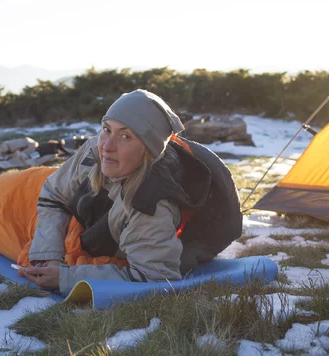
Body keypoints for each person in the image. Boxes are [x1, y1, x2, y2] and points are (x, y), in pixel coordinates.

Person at [25, 89, 202, 293]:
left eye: (125, 136)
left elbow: (155, 279)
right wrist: (49, 256)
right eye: (106, 129)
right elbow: (53, 194)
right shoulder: (94, 149)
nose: (107, 147)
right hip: (32, 183)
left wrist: (65, 278)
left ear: (148, 150)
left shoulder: (151, 205)